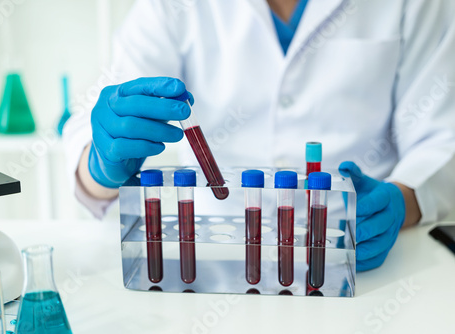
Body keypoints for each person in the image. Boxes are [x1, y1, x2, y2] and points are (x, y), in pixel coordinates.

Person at [63, 0, 455, 271]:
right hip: (209, 257)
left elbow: (442, 137)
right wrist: (99, 163)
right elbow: (108, 111)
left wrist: (404, 200)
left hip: (347, 249)